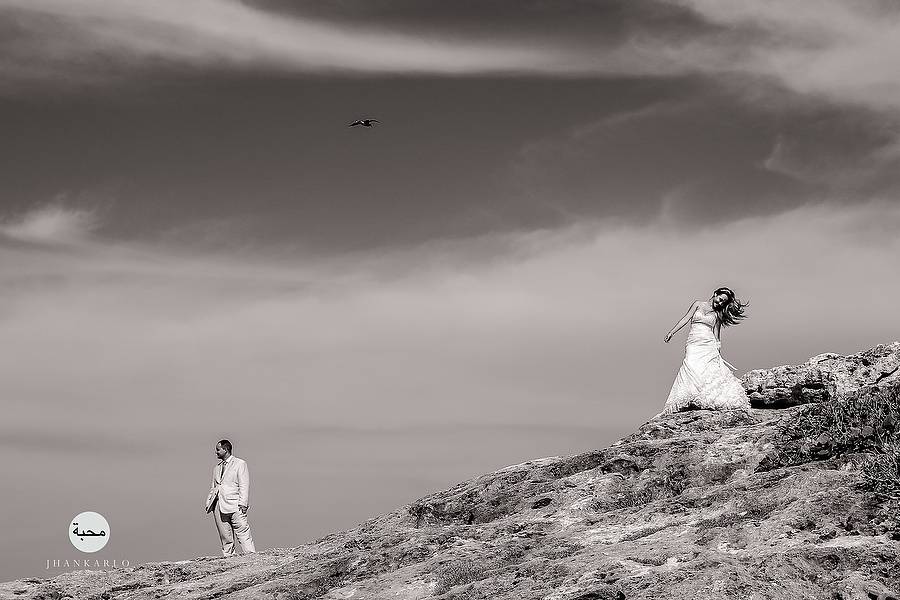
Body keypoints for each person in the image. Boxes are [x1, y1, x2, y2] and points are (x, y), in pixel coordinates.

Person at [652, 287, 751, 419]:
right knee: (690, 364)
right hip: (693, 342)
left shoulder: (717, 314)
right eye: (720, 299)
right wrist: (672, 332)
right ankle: (689, 396)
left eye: (723, 302)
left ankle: (702, 397)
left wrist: (717, 350)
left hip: (708, 344)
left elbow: (716, 334)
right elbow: (685, 319)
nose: (720, 303)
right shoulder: (698, 304)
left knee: (707, 369)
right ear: (715, 294)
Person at [204, 439, 256, 556]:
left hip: (235, 504)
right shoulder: (216, 468)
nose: (216, 452)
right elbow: (214, 486)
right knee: (225, 536)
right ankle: (228, 559)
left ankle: (251, 556)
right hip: (219, 505)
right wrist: (209, 503)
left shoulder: (240, 464)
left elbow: (244, 484)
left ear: (225, 449)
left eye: (218, 449)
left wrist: (243, 503)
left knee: (242, 531)